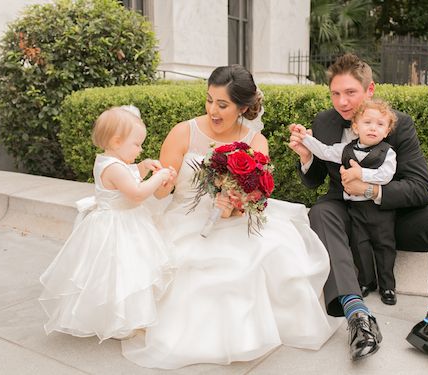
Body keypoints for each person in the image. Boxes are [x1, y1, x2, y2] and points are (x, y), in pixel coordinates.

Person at [121, 65, 335, 369]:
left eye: (222, 105)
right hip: (184, 216)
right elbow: (160, 193)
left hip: (233, 219)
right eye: (209, 100)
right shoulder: (184, 132)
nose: (213, 111)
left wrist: (236, 203)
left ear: (243, 108)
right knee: (185, 267)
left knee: (265, 253)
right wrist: (161, 182)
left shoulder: (255, 140)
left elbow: (257, 197)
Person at [289, 53, 428, 374]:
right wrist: (306, 157)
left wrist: (371, 190)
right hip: (346, 214)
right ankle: (357, 316)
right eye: (335, 93)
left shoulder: (399, 124)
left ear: (369, 90)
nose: (341, 101)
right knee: (321, 212)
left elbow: (421, 188)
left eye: (350, 93)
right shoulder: (324, 122)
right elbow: (313, 182)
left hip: (393, 216)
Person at [39, 106, 176, 342]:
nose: (140, 148)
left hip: (123, 221)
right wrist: (158, 178)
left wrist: (142, 167)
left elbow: (129, 176)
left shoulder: (112, 161)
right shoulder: (113, 168)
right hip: (117, 226)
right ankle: (119, 319)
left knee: (129, 270)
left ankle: (129, 315)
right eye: (137, 144)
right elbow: (135, 193)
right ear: (116, 141)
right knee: (119, 272)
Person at [293, 98, 399, 306]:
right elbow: (323, 151)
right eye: (368, 123)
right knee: (360, 245)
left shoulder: (388, 152)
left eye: (380, 125)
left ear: (386, 131)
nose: (373, 128)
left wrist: (362, 174)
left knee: (384, 246)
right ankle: (366, 281)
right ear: (356, 127)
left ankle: (387, 285)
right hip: (356, 209)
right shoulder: (344, 149)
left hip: (380, 210)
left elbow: (386, 175)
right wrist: (305, 139)